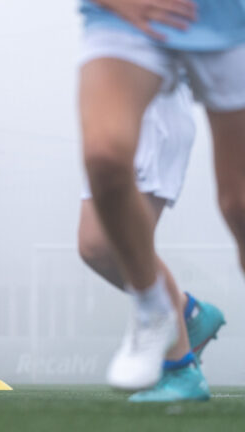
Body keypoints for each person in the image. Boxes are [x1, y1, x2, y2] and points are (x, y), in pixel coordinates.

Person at [79, 0, 245, 401]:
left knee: (238, 205)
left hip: (224, 21)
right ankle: (169, 326)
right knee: (97, 235)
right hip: (123, 25)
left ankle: (183, 321)